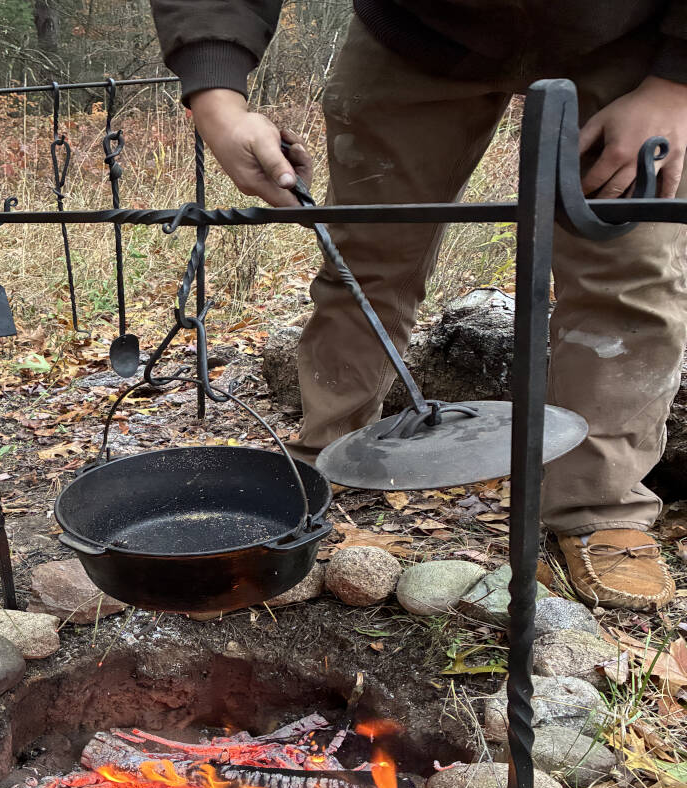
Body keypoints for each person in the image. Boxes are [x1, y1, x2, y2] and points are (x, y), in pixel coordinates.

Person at [150, 0, 687, 611]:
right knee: (364, 257)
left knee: (627, 274)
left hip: (630, 42)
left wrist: (676, 83)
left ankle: (600, 503)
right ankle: (327, 459)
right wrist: (216, 95)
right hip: (417, 31)